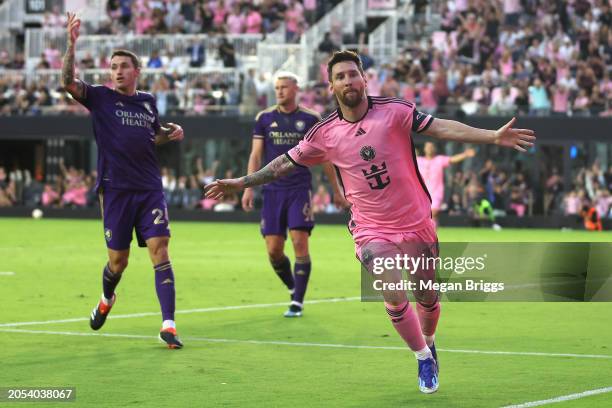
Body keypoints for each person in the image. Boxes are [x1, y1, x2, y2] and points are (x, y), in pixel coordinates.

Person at [205, 51, 535, 393]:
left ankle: (430, 339)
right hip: (371, 228)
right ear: (332, 86)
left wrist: (492, 136)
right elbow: (282, 164)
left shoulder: (395, 111)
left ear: (364, 79)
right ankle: (422, 357)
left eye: (352, 74)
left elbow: (442, 128)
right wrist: (242, 182)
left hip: (417, 221)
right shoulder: (324, 132)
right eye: (341, 77)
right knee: (392, 289)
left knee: (427, 295)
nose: (348, 81)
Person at [61, 12, 185, 349]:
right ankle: (106, 297)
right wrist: (71, 45)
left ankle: (169, 325)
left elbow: (151, 136)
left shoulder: (147, 102)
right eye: (113, 66)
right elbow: (68, 83)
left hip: (149, 189)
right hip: (115, 189)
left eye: (123, 66)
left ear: (136, 72)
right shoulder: (100, 96)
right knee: (119, 261)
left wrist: (169, 133)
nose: (117, 71)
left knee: (160, 251)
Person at [242, 71, 348, 317]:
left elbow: (325, 157)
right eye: (277, 87)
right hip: (271, 191)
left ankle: (297, 302)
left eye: (284, 87)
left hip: (299, 190)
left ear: (295, 89)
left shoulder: (311, 118)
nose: (279, 91)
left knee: (300, 242)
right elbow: (256, 155)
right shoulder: (264, 118)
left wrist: (336, 190)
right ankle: (293, 286)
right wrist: (249, 186)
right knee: (273, 250)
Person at [417, 142, 475, 227]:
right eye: (428, 147)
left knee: (433, 213)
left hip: (436, 192)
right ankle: (430, 235)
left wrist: (465, 154)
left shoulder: (439, 160)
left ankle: (432, 237)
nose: (430, 148)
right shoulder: (419, 160)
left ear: (434, 149)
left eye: (431, 146)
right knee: (426, 217)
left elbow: (452, 159)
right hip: (421, 193)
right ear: (424, 149)